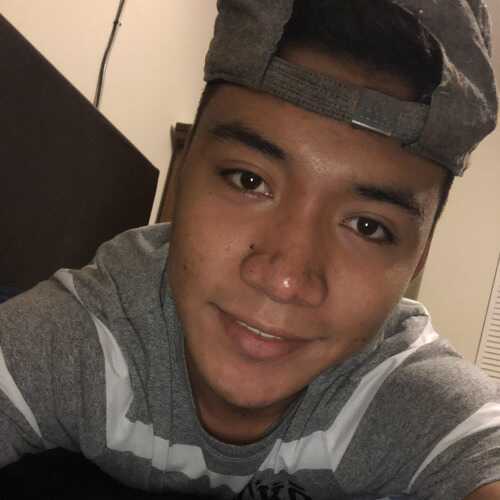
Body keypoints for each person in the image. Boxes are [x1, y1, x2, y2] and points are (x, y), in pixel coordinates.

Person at [0, 1, 499, 498]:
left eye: (367, 226)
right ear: (183, 175)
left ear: (419, 258)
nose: (285, 279)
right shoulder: (83, 340)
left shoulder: (413, 402)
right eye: (249, 180)